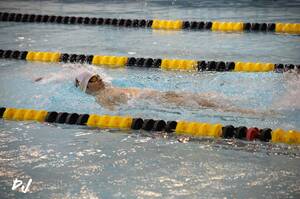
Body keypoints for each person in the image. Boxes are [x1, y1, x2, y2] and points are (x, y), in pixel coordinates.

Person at [74, 71, 266, 115]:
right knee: (203, 105)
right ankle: (250, 112)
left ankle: (244, 104)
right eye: (92, 79)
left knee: (202, 98)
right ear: (86, 87)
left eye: (97, 76)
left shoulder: (107, 89)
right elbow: (116, 114)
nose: (97, 79)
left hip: (157, 95)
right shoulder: (101, 99)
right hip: (154, 101)